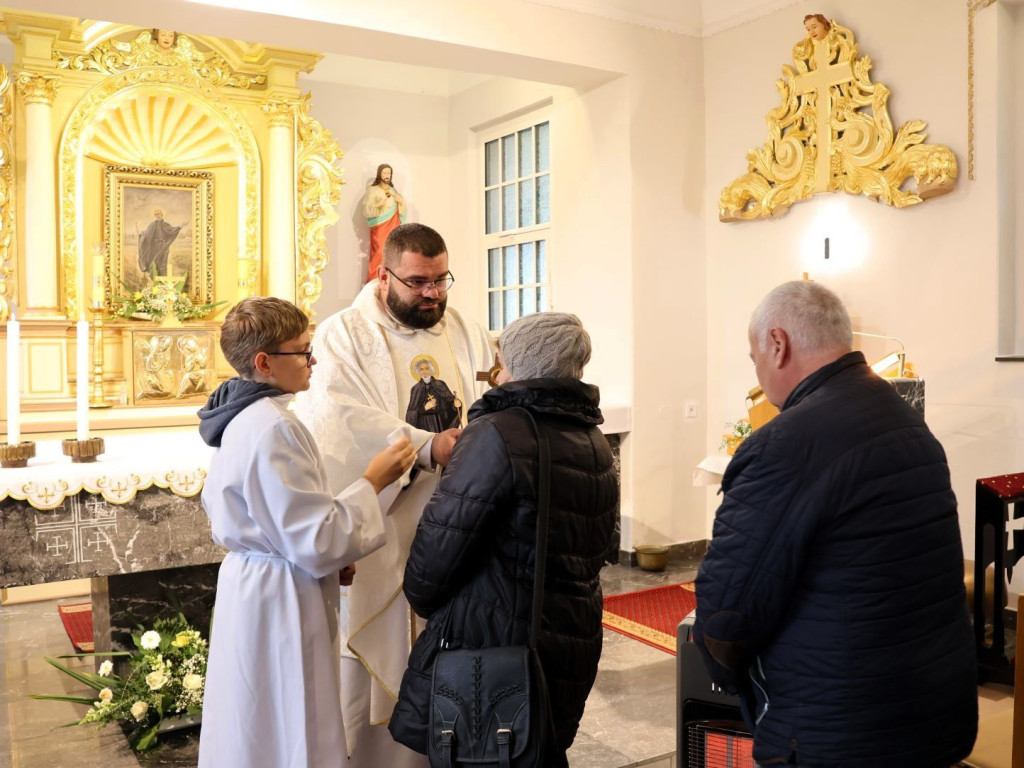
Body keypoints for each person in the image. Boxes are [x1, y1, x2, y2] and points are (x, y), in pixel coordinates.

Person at [693, 281, 978, 768]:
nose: (759, 372)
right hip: (929, 707)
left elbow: (728, 616)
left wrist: (728, 676)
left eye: (754, 356)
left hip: (838, 723)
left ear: (778, 344)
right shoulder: (903, 419)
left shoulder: (785, 445)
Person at [294, 222, 494, 767]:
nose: (433, 293)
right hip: (390, 523)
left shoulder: (465, 329)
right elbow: (338, 419)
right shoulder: (345, 335)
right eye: (418, 282)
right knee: (383, 658)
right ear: (385, 276)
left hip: (461, 516)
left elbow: (489, 393)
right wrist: (431, 448)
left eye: (440, 280)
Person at [389, 312, 618, 767]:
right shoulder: (592, 437)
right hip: (570, 632)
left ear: (518, 361)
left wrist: (421, 598)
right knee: (538, 751)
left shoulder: (496, 433)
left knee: (490, 754)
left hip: (496, 638)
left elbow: (439, 548)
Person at [196, 296, 416, 768]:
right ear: (264, 362)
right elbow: (318, 540)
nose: (313, 359)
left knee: (254, 718)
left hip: (257, 585)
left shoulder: (242, 416)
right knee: (294, 718)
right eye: (301, 350)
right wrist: (375, 479)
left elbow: (283, 521)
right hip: (282, 597)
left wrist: (331, 551)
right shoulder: (274, 427)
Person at [362, 164, 406, 283]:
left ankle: (391, 281)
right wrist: (377, 205)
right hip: (380, 227)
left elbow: (402, 213)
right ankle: (374, 281)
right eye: (385, 173)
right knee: (380, 252)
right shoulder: (373, 190)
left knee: (393, 252)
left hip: (393, 226)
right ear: (379, 174)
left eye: (389, 173)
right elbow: (366, 209)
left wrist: (401, 202)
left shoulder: (393, 191)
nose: (387, 176)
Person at [405, 357, 461, 432]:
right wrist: (424, 408)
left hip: (441, 423)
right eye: (421, 369)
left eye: (427, 368)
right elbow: (410, 414)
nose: (425, 371)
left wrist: (455, 404)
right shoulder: (416, 389)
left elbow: (450, 401)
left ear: (431, 370)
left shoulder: (440, 384)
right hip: (425, 425)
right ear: (418, 372)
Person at [137, 207, 184, 278]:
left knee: (163, 262)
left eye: (158, 214)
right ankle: (154, 277)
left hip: (164, 247)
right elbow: (147, 234)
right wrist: (141, 234)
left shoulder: (166, 224)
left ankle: (163, 278)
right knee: (155, 261)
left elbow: (172, 230)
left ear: (161, 214)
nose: (157, 215)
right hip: (155, 247)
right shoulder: (152, 225)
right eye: (156, 214)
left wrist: (180, 227)